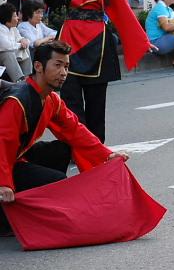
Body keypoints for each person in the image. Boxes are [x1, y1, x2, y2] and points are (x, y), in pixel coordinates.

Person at [9, 0, 151, 142]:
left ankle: (95, 145)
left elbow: (124, 14)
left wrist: (142, 40)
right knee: (70, 99)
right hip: (68, 42)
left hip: (98, 44)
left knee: (96, 103)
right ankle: (77, 143)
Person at [0, 41, 129, 232]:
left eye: (67, 66)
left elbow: (75, 130)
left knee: (62, 150)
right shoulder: (17, 100)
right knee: (57, 182)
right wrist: (4, 184)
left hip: (16, 157)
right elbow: (3, 143)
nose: (63, 73)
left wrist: (106, 154)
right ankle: (8, 215)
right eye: (57, 65)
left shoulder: (51, 98)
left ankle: (21, 204)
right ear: (38, 66)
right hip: (4, 159)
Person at [0, 3, 31, 82]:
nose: (18, 18)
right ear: (7, 19)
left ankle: (27, 77)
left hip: (12, 54)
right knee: (7, 54)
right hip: (3, 56)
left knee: (25, 48)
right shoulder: (1, 29)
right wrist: (21, 44)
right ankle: (18, 80)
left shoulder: (13, 28)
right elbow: (7, 46)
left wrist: (23, 40)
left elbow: (19, 38)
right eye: (15, 16)